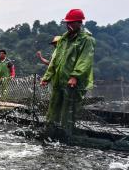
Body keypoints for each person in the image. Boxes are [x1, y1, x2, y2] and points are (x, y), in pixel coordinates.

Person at [41, 9, 96, 138]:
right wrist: (47, 77)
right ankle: (50, 131)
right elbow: (55, 60)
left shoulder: (86, 40)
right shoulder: (63, 39)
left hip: (73, 83)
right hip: (59, 80)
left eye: (71, 22)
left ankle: (65, 136)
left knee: (68, 110)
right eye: (67, 23)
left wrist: (74, 76)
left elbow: (85, 60)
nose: (68, 25)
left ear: (79, 22)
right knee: (54, 106)